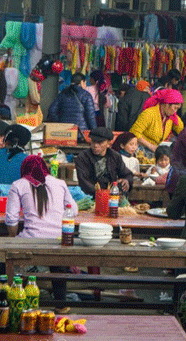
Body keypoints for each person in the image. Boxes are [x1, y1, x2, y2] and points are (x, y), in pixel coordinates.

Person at [5, 155, 78, 301]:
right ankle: (61, 303)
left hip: (30, 241)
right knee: (58, 262)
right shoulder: (60, 183)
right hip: (59, 240)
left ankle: (15, 298)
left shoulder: (18, 184)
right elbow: (74, 211)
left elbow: (11, 220)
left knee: (6, 254)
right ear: (45, 168)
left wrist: (13, 239)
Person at [75, 127, 133, 196]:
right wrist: (101, 194)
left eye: (100, 142)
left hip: (111, 195)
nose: (95, 145)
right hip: (90, 195)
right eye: (93, 141)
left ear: (108, 144)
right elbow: (84, 182)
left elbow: (127, 174)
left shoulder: (115, 156)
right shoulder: (83, 157)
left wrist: (126, 180)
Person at [129, 88, 184, 153]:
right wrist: (151, 146)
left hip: (155, 150)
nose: (175, 111)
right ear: (166, 104)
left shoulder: (171, 117)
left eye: (177, 109)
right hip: (141, 150)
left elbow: (182, 131)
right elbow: (133, 133)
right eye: (175, 108)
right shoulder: (149, 113)